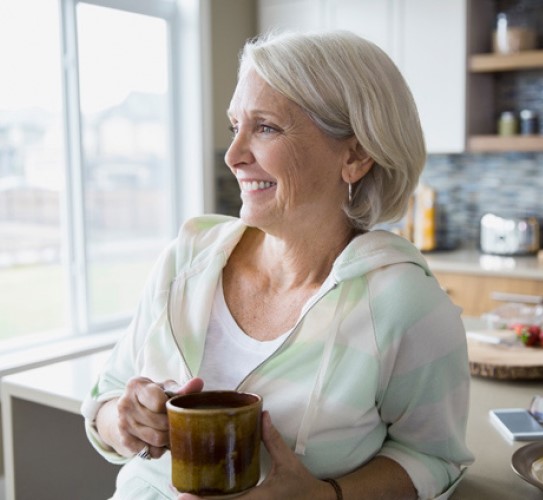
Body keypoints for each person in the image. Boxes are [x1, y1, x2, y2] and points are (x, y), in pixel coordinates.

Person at [81, 30, 474, 500]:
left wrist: (326, 496)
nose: (233, 156)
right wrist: (123, 420)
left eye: (265, 127)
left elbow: (434, 459)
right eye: (235, 126)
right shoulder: (186, 259)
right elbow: (105, 399)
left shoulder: (404, 305)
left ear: (355, 155)